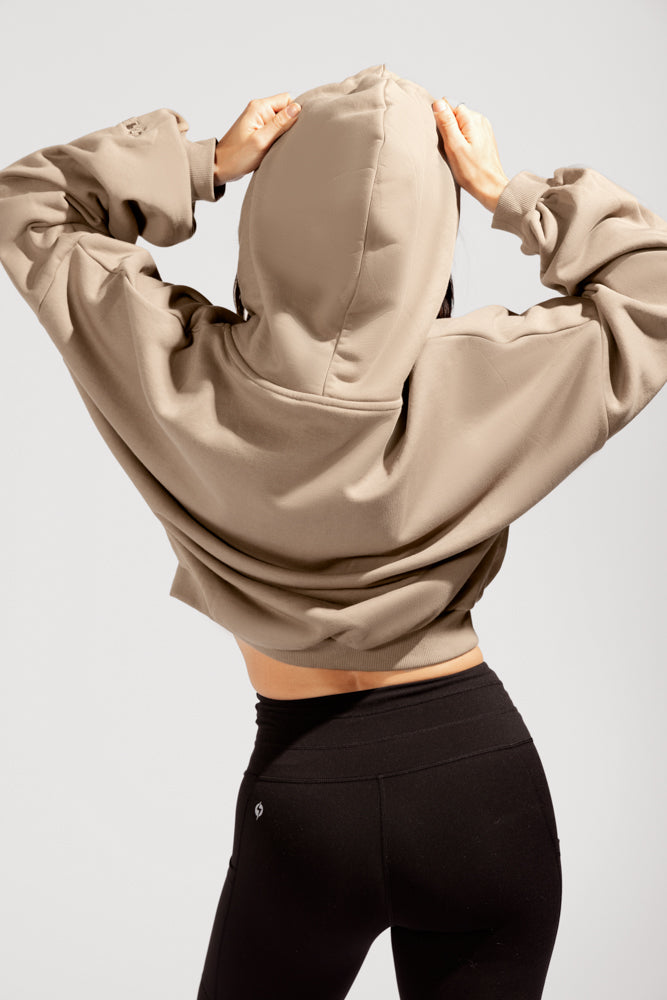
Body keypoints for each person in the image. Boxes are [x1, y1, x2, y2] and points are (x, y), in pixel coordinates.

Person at [1, 63, 666, 999]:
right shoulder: (488, 373)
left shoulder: (174, 368)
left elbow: (29, 204)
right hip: (479, 780)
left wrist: (204, 161)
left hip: (306, 788)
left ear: (269, 220)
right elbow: (654, 292)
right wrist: (508, 193)